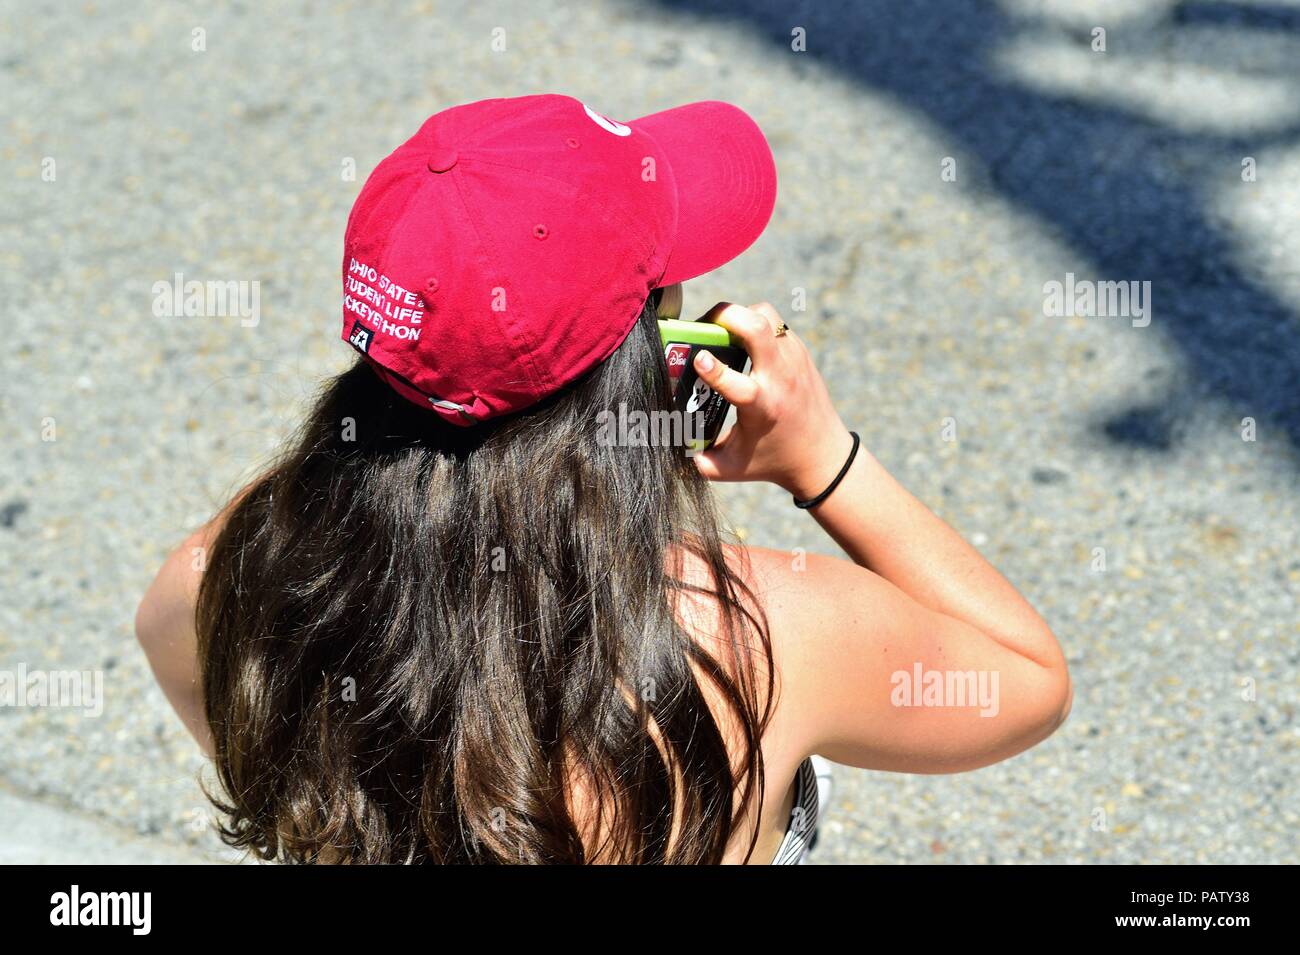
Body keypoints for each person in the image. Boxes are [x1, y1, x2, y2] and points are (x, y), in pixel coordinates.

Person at [135, 94, 1072, 865]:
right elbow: (1026, 680)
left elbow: (165, 622)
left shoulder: (261, 560)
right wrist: (823, 459)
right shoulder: (748, 636)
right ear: (653, 368)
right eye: (666, 303)